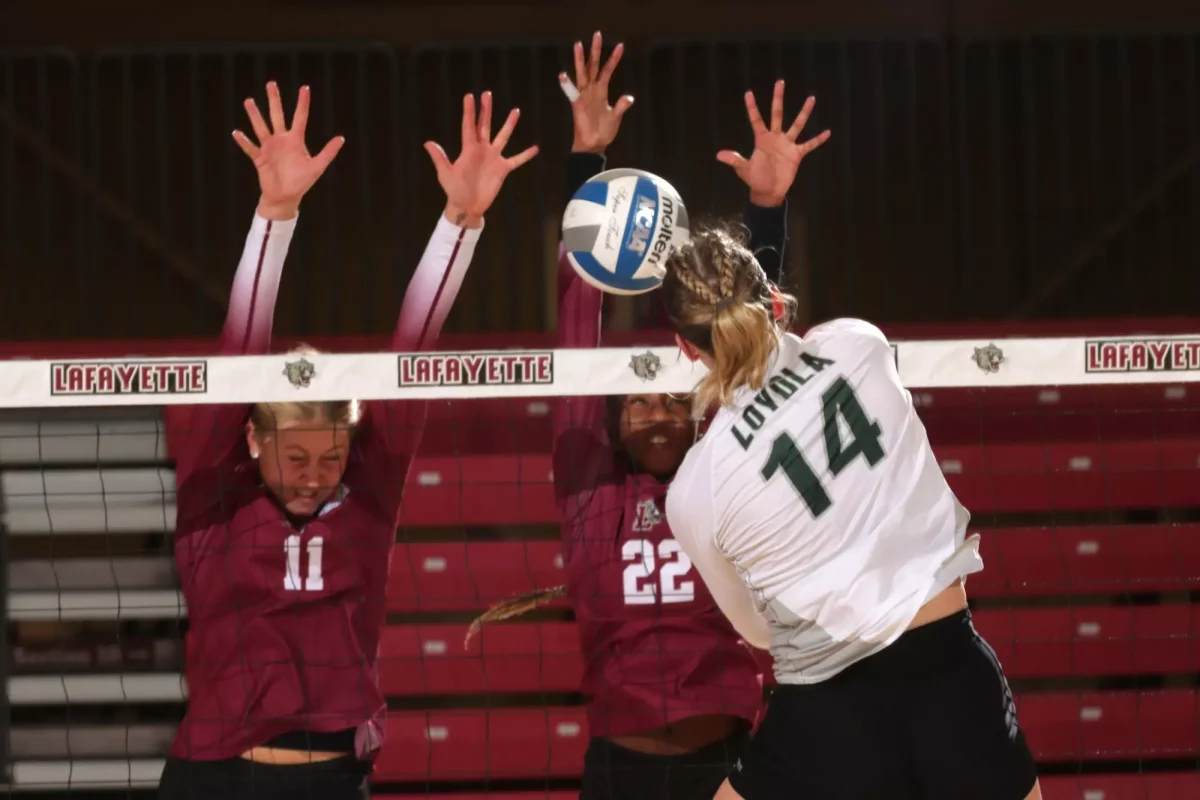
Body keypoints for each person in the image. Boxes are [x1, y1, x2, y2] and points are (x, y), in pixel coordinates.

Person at [468, 33, 829, 800]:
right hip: (619, 769)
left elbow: (754, 338)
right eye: (639, 399)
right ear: (611, 413)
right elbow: (577, 325)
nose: (661, 412)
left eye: (675, 396)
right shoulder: (588, 484)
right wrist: (586, 169)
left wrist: (768, 206)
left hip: (732, 760)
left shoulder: (723, 456)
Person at [158, 81, 537, 800]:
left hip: (329, 781)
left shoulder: (368, 495)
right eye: (296, 458)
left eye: (331, 456)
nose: (314, 475)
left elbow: (413, 352)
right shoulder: (214, 489)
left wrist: (460, 220)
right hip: (209, 778)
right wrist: (276, 214)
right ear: (251, 437)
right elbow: (242, 350)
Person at [659, 234, 1042, 795]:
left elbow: (756, 633)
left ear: (686, 348)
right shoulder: (859, 344)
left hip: (828, 715)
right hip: (949, 673)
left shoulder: (698, 486)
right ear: (776, 302)